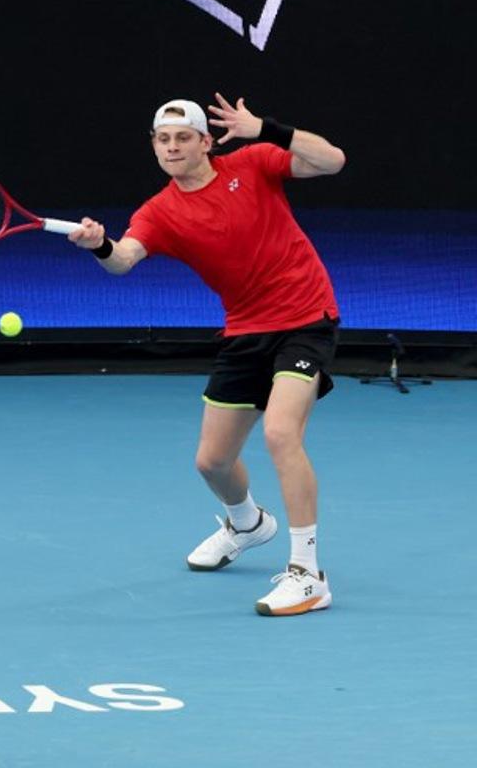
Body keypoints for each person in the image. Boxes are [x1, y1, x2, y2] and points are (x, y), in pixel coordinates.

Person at [68, 93, 346, 616]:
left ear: (206, 141)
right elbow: (124, 260)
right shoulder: (160, 212)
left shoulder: (253, 162)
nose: (172, 147)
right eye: (163, 139)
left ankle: (308, 574)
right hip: (244, 331)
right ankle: (247, 524)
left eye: (183, 137)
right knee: (212, 461)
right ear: (154, 147)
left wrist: (265, 126)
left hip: (305, 317)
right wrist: (100, 245)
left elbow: (332, 160)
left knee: (281, 433)